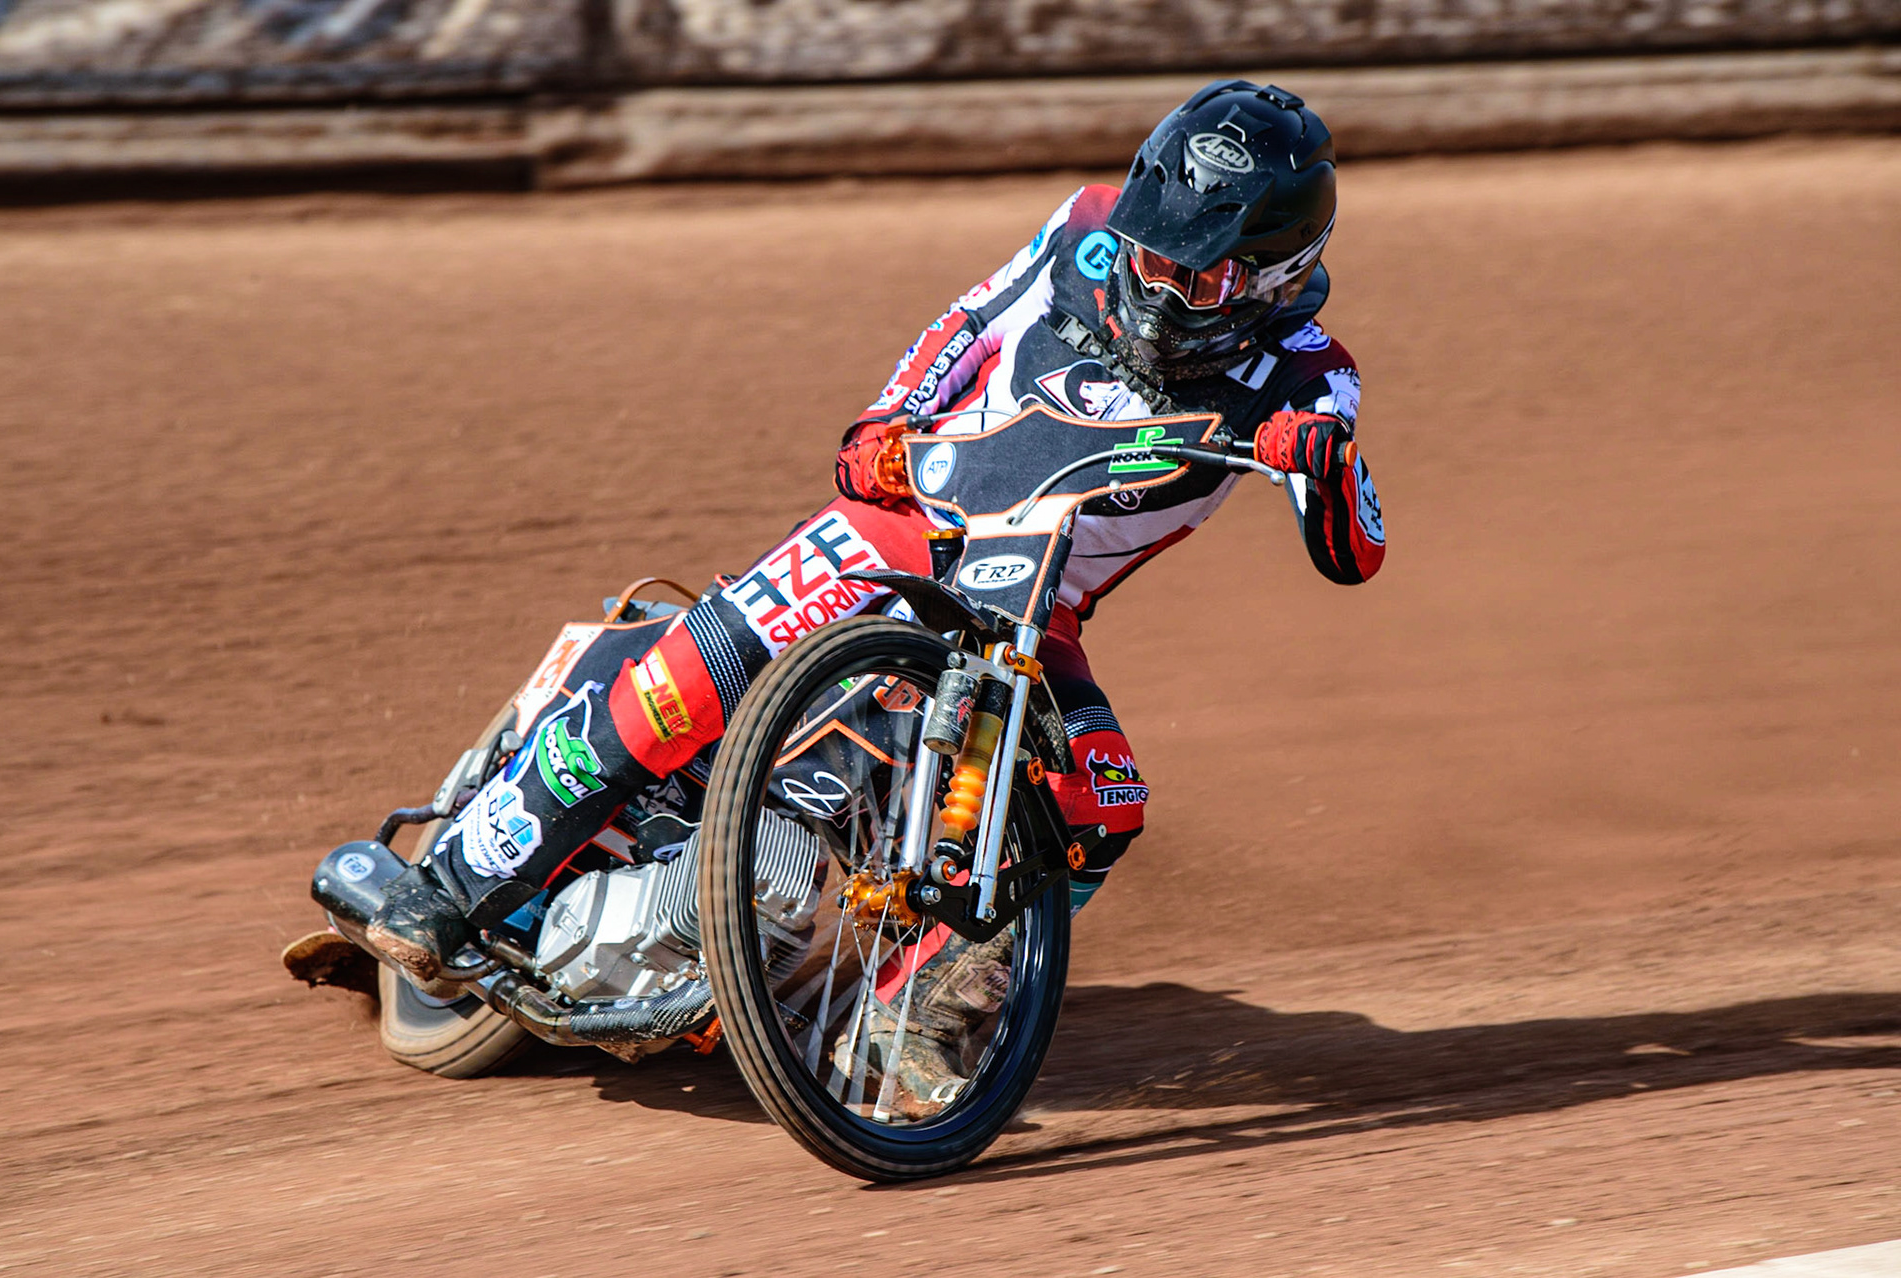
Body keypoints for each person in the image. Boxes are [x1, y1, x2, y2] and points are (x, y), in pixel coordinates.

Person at [365, 79, 1385, 1102]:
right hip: (902, 524)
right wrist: (884, 420)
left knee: (1104, 799)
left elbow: (1356, 551)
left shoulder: (1312, 376)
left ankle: (917, 1016)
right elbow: (970, 320)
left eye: (1196, 275)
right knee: (709, 661)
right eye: (1150, 251)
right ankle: (457, 877)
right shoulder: (1081, 230)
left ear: (1274, 274)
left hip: (1034, 605)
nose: (1159, 286)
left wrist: (1321, 461)